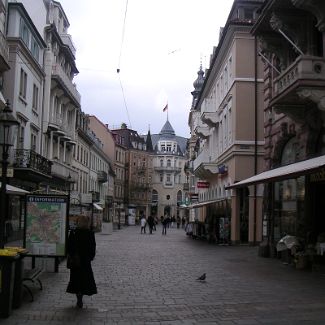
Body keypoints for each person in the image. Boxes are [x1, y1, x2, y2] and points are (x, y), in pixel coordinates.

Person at [66, 215, 97, 308]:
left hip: (76, 260)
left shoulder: (73, 232)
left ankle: (78, 297)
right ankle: (81, 295)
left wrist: (71, 256)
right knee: (85, 279)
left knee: (76, 279)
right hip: (85, 261)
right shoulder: (90, 233)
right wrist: (90, 257)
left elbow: (69, 247)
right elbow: (93, 247)